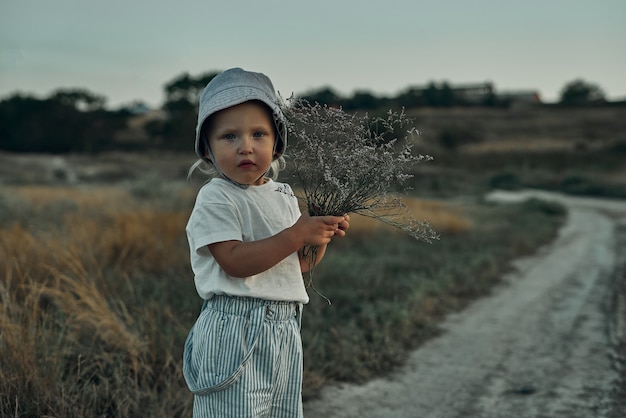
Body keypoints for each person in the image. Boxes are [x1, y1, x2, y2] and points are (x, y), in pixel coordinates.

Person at [183, 67, 350, 417]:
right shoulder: (217, 197)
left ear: (276, 144)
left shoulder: (284, 195)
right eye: (229, 137)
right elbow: (234, 261)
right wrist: (296, 234)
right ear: (207, 150)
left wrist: (319, 237)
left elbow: (296, 264)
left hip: (286, 331)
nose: (246, 146)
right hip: (235, 332)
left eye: (258, 134)